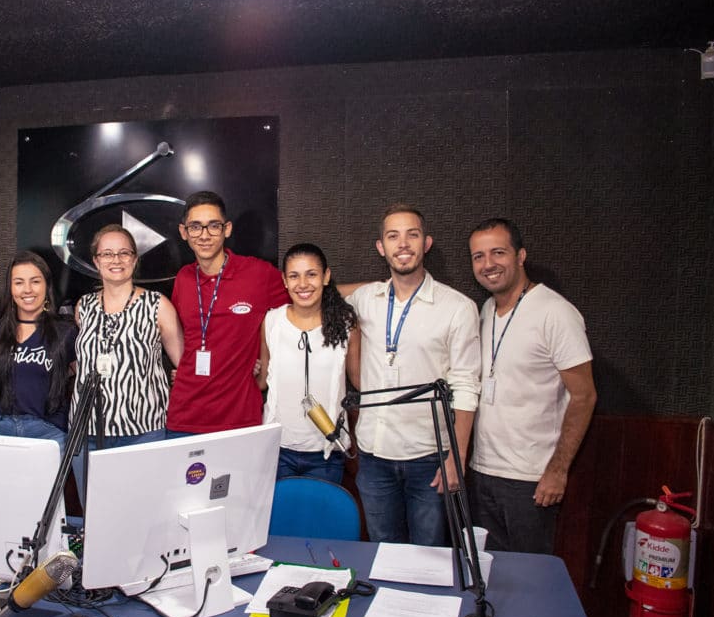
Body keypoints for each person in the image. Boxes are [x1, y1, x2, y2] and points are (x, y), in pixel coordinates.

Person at [342, 204, 480, 545]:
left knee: (429, 558)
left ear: (426, 243)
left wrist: (456, 458)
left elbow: (465, 385)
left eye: (412, 235)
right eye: (393, 236)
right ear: (381, 247)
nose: (403, 244)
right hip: (374, 457)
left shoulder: (457, 307)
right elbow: (320, 291)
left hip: (429, 458)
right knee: (383, 551)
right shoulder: (366, 298)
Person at [467, 218, 596, 554]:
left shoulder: (555, 313)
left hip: (529, 480)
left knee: (529, 580)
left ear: (520, 255)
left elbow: (584, 396)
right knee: (491, 576)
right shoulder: (485, 310)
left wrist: (558, 470)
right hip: (482, 473)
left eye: (498, 252)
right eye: (478, 256)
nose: (488, 264)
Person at [166, 191, 289, 435]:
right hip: (184, 415)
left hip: (238, 417)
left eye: (213, 226)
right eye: (195, 227)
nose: (204, 235)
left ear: (227, 229)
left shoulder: (258, 274)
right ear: (184, 232)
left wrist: (262, 359)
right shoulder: (183, 278)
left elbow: (305, 297)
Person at [257, 243, 359, 483]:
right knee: (282, 519)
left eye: (311, 274)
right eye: (294, 276)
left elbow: (360, 381)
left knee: (320, 520)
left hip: (327, 451)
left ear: (326, 277)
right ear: (284, 280)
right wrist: (253, 371)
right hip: (278, 449)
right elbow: (263, 382)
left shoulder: (346, 324)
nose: (302, 284)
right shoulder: (272, 321)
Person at [73, 224, 183, 446]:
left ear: (134, 259)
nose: (116, 260)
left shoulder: (157, 305)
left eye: (124, 253)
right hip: (86, 429)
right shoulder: (83, 307)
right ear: (96, 261)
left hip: (143, 429)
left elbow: (184, 363)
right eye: (107, 254)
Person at [0, 251, 77, 453]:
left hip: (48, 432)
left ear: (46, 285)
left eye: (35, 281)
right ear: (10, 288)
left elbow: (80, 378)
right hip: (2, 430)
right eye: (18, 282)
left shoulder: (66, 331)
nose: (27, 290)